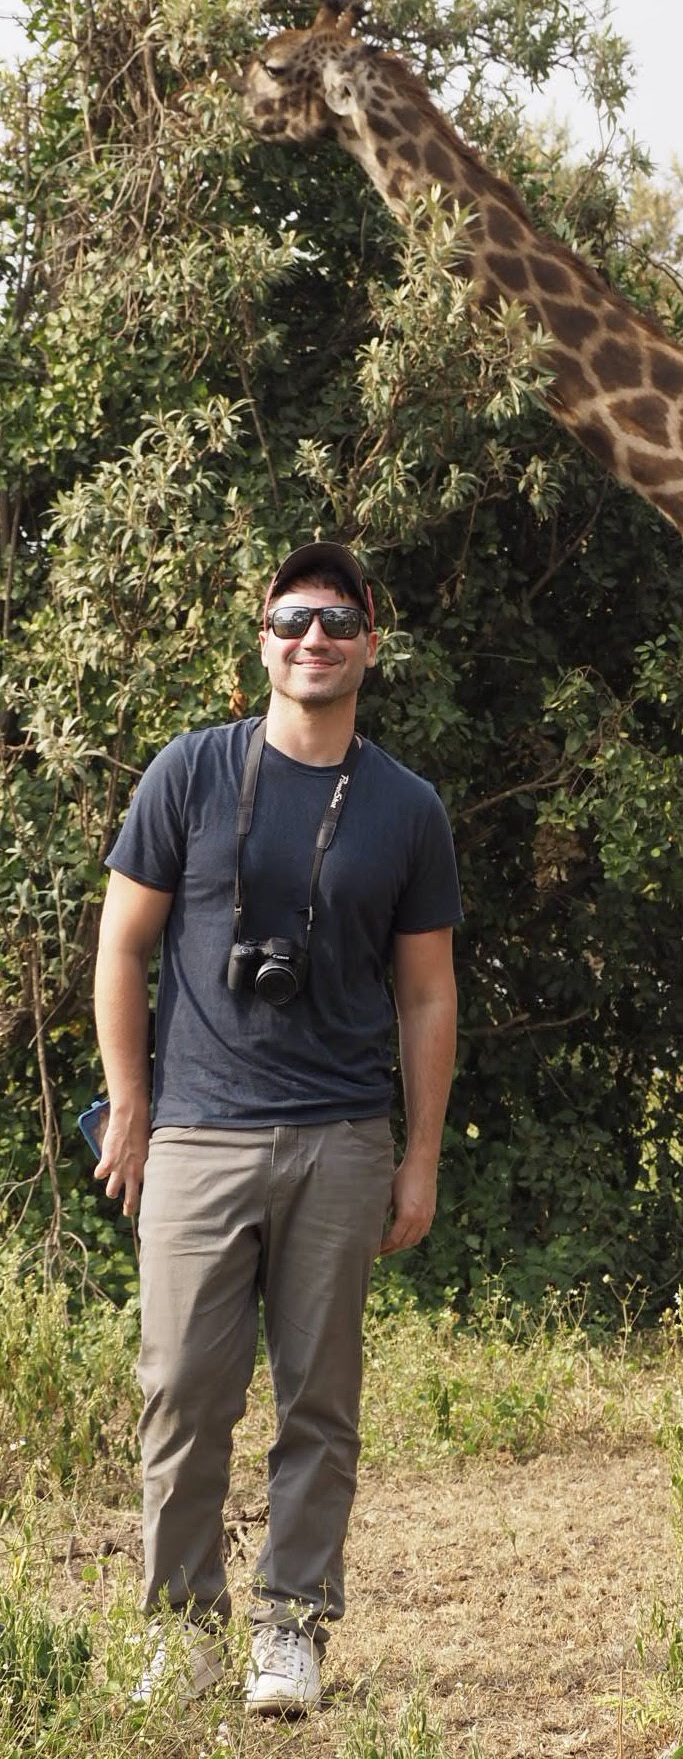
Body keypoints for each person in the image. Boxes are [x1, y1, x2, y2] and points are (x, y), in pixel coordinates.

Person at [93, 540, 461, 1715]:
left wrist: (418, 1153)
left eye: (338, 622)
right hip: (197, 1134)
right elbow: (121, 946)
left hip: (341, 1138)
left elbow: (426, 993)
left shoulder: (406, 805)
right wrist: (135, 1107)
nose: (315, 639)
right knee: (183, 1393)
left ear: (369, 645)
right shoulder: (191, 772)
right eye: (294, 620)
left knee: (320, 1399)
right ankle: (182, 1630)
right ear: (262, 641)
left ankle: (290, 1630)